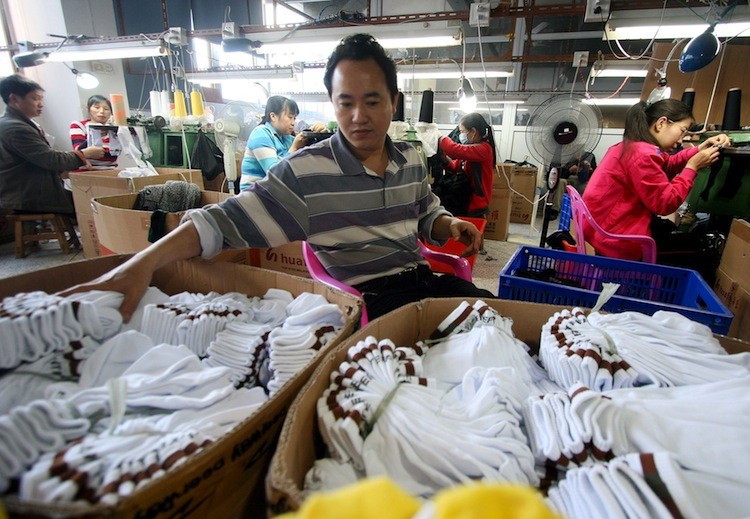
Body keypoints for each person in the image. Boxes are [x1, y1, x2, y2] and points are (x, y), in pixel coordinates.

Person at [61, 33, 492, 322]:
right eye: (345, 103)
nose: (358, 117)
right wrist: (142, 264)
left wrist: (448, 224)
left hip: (425, 282)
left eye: (373, 101)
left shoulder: (411, 158)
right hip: (372, 301)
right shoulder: (306, 173)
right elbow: (221, 222)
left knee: (502, 321)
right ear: (332, 103)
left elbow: (424, 214)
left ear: (393, 102)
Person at [582, 99, 730, 279]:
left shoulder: (634, 146)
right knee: (700, 250)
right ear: (661, 123)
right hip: (617, 238)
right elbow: (665, 204)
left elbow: (667, 164)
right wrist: (692, 168)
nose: (681, 140)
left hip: (605, 229)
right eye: (682, 131)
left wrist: (699, 149)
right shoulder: (643, 155)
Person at [0, 74, 104, 216]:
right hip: (29, 195)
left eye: (41, 98)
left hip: (32, 190)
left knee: (96, 199)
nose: (41, 103)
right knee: (97, 206)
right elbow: (51, 159)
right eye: (35, 98)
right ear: (14, 99)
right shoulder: (15, 128)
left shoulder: (19, 124)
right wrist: (84, 154)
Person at [239, 95, 326, 190]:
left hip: (272, 193)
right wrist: (294, 148)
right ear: (273, 116)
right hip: (253, 196)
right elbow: (275, 174)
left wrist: (316, 134)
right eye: (290, 117)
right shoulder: (261, 133)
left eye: (294, 118)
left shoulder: (287, 138)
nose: (293, 123)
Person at [436, 112, 497, 218]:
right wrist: (444, 159)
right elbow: (456, 167)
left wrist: (439, 137)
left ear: (473, 132)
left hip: (477, 206)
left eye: (462, 131)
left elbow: (454, 149)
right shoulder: (471, 147)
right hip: (466, 199)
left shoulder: (484, 149)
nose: (460, 135)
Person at [69, 94, 119, 169]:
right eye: (97, 107)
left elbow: (114, 154)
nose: (102, 112)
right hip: (86, 171)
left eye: (106, 109)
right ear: (89, 109)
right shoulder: (79, 125)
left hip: (110, 170)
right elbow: (78, 151)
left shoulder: (113, 129)